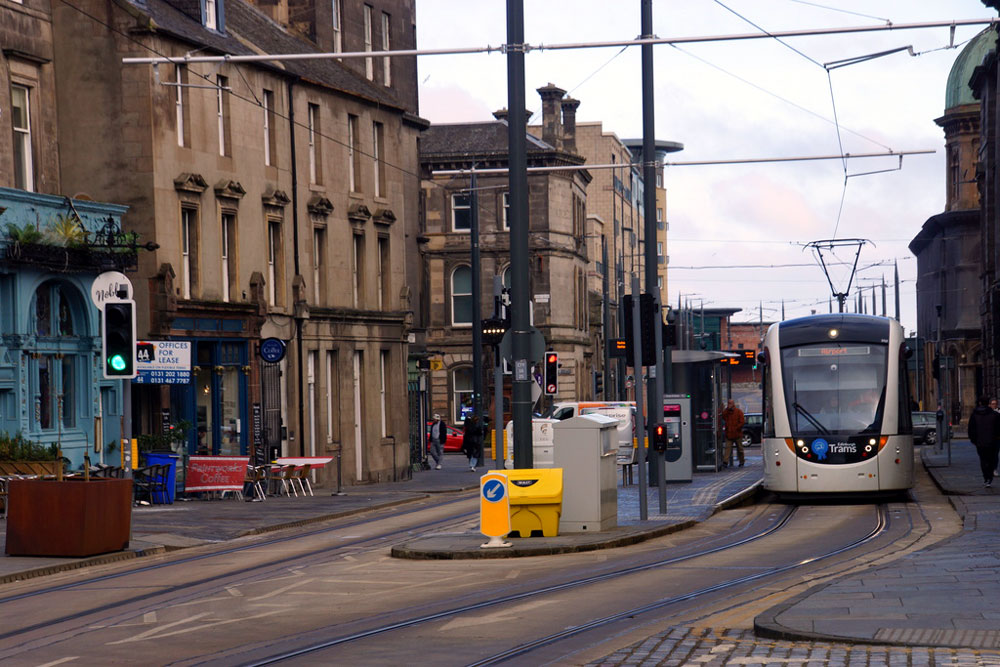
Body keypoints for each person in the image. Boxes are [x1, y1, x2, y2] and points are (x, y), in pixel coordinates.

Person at [967, 396, 1000, 488]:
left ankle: (986, 477)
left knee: (983, 459)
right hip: (992, 442)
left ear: (980, 403)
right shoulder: (995, 415)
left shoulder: (974, 415)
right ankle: (989, 477)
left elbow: (971, 429)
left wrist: (974, 440)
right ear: (988, 403)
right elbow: (998, 428)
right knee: (991, 459)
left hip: (980, 442)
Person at [720, 399, 746, 468]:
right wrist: (726, 409)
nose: (729, 404)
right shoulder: (727, 412)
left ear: (733, 404)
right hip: (729, 434)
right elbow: (723, 416)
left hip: (737, 434)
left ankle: (741, 461)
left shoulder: (738, 412)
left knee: (740, 449)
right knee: (727, 448)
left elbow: (742, 422)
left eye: (730, 403)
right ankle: (725, 462)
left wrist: (736, 428)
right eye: (728, 403)